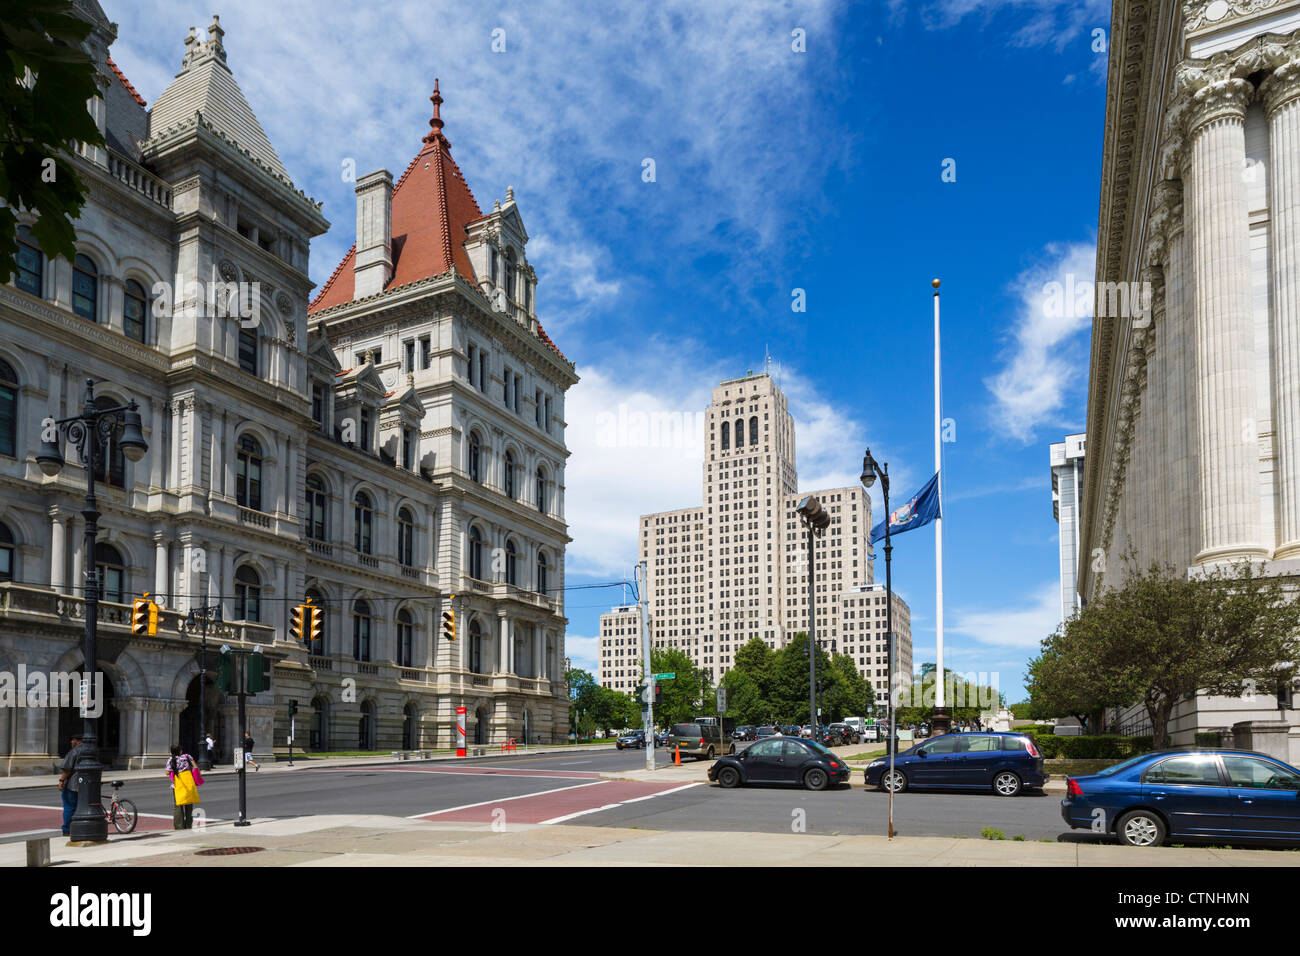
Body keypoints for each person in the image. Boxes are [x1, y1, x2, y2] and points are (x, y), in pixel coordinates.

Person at [56, 734, 86, 837]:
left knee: (69, 807)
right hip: (86, 785)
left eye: (72, 740)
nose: (71, 742)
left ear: (78, 741)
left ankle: (67, 829)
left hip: (73, 785)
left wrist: (61, 780)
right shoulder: (90, 750)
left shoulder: (74, 751)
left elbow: (67, 769)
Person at [166, 745, 200, 829]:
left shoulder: (171, 760)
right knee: (189, 804)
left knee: (178, 805)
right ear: (180, 751)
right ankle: (188, 825)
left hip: (177, 784)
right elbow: (195, 767)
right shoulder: (187, 756)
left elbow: (167, 772)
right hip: (188, 782)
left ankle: (179, 826)